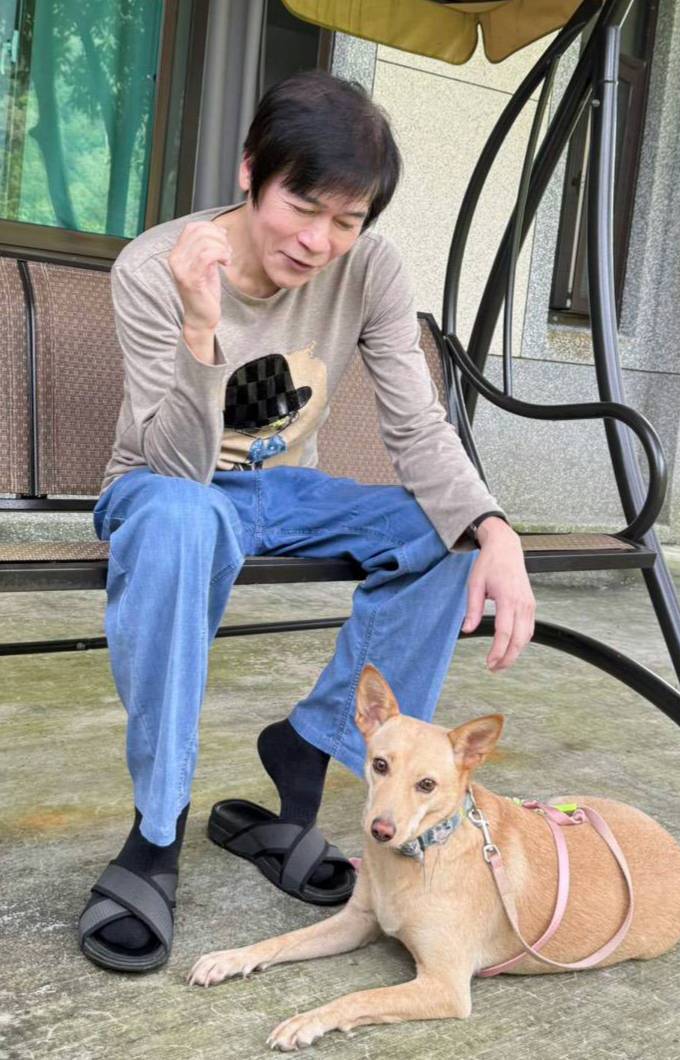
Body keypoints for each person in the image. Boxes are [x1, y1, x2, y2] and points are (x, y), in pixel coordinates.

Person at [78, 70, 535, 973]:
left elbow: (416, 428)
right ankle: (156, 829)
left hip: (286, 495)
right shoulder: (155, 266)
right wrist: (200, 329)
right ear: (251, 173)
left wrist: (495, 530)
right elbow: (174, 466)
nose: (319, 241)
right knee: (182, 518)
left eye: (346, 220)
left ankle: (311, 744)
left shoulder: (371, 269)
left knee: (442, 533)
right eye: (301, 206)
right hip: (164, 489)